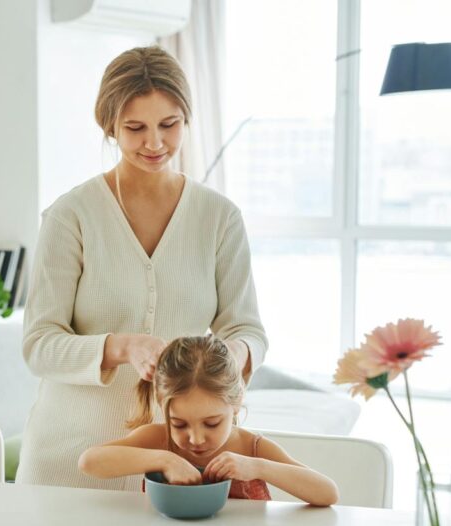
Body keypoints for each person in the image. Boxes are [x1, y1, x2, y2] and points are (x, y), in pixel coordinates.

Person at [18, 45, 268, 490]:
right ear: (109, 125)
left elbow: (247, 328)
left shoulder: (219, 218)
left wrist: (232, 355)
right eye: (135, 128)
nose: (154, 143)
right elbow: (39, 344)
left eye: (169, 125)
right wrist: (120, 348)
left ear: (186, 119)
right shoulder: (70, 215)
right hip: (67, 459)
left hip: (172, 465)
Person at [78, 336, 338, 506]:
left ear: (235, 404)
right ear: (162, 405)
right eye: (178, 424)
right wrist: (165, 459)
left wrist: (259, 468)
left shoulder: (252, 448)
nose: (196, 439)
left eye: (212, 423)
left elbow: (327, 493)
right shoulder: (158, 441)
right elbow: (89, 462)